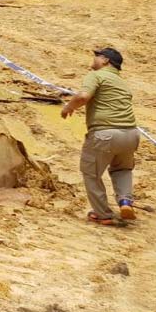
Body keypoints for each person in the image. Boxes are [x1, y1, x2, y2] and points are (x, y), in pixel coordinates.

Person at [61, 47, 140, 225]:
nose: (93, 59)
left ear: (106, 61)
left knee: (91, 173)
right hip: (131, 134)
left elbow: (83, 96)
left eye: (97, 56)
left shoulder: (96, 75)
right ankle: (125, 201)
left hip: (105, 134)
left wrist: (68, 107)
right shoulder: (121, 82)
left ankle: (103, 214)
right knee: (122, 169)